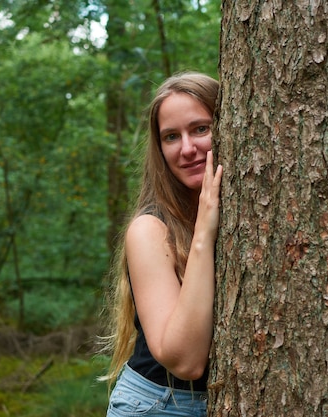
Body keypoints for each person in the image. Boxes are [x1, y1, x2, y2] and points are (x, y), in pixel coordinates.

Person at [101, 72, 222, 417]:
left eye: (201, 128)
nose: (187, 149)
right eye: (171, 136)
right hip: (158, 405)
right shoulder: (149, 230)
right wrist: (203, 232)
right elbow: (185, 361)